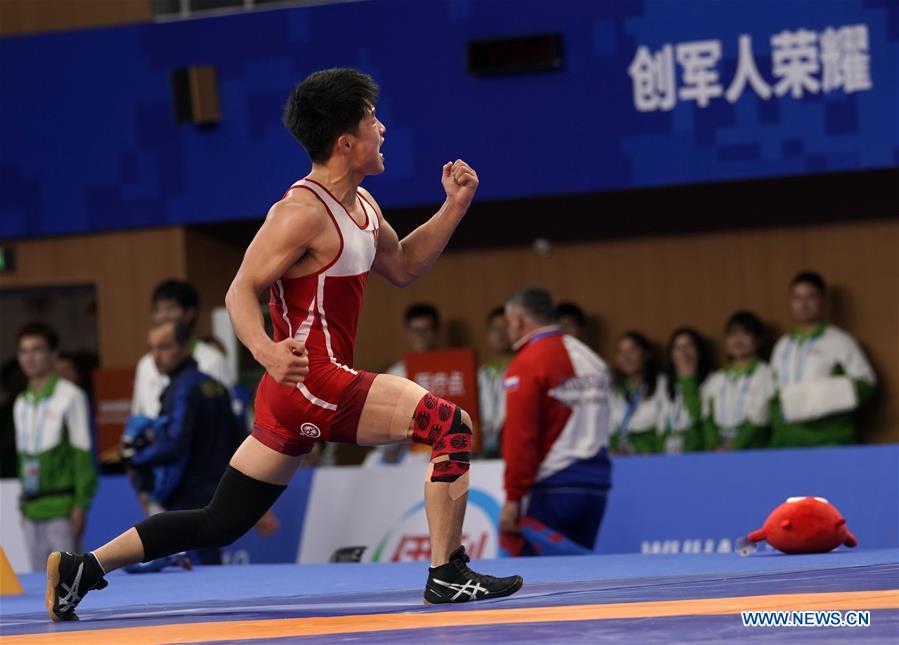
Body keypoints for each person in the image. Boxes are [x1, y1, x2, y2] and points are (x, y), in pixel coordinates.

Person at [46, 68, 521, 620]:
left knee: (219, 521)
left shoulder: (364, 207)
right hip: (312, 378)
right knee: (450, 426)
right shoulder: (298, 213)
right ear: (346, 142)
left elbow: (406, 265)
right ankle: (447, 573)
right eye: (373, 121)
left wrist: (455, 206)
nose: (384, 129)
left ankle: (83, 569)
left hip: (293, 390)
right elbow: (238, 291)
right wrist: (267, 351)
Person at [122, 321, 247, 565]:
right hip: (219, 493)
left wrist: (134, 459)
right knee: (210, 567)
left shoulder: (183, 388)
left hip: (186, 496)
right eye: (152, 348)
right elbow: (239, 438)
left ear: (185, 346)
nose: (156, 356)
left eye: (164, 347)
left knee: (190, 572)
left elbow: (175, 443)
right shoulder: (216, 386)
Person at [499, 288, 612, 555]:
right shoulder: (593, 360)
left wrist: (514, 496)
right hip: (596, 487)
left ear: (518, 320)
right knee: (579, 580)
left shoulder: (528, 363)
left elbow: (521, 437)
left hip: (552, 486)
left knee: (539, 585)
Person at [14, 323, 97, 571]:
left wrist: (80, 505)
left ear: (53, 354)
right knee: (40, 584)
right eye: (23, 351)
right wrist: (23, 505)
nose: (29, 357)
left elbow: (82, 454)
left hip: (62, 506)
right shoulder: (21, 402)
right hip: (31, 507)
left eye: (37, 349)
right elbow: (22, 459)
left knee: (65, 581)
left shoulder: (70, 396)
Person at [769, 271, 876, 447]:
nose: (803, 304)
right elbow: (773, 393)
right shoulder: (783, 345)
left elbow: (867, 384)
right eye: (797, 298)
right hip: (788, 441)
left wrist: (820, 398)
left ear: (823, 300)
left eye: (810, 297)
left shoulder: (840, 341)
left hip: (829, 440)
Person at [131, 280, 234, 418]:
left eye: (171, 309)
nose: (163, 316)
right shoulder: (145, 364)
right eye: (157, 310)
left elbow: (227, 412)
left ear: (190, 312)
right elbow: (138, 413)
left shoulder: (212, 359)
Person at [701, 312, 777, 450]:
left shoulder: (766, 374)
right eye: (732, 334)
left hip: (752, 450)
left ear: (759, 340)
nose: (738, 340)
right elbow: (706, 417)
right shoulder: (716, 378)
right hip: (718, 451)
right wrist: (715, 445)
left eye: (745, 333)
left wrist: (733, 448)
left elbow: (759, 419)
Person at [609, 331, 665, 455]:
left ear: (646, 354)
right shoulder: (613, 390)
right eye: (620, 352)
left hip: (652, 458)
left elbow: (667, 425)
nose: (626, 357)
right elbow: (610, 429)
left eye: (632, 351)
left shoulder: (662, 384)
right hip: (620, 458)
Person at [659, 327, 712, 454]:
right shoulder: (664, 384)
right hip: (666, 459)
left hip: (696, 458)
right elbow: (659, 428)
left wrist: (688, 381)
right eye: (677, 347)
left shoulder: (712, 382)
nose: (683, 352)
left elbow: (698, 417)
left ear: (699, 351)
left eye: (688, 346)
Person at [477, 306, 513, 458]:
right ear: (488, 334)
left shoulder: (525, 371)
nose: (500, 334)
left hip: (513, 447)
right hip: (483, 449)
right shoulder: (479, 374)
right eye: (495, 329)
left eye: (505, 328)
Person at [385, 303, 441, 378]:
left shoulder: (450, 369)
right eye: (415, 331)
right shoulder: (396, 373)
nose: (420, 335)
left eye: (426, 330)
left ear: (436, 331)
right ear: (407, 333)